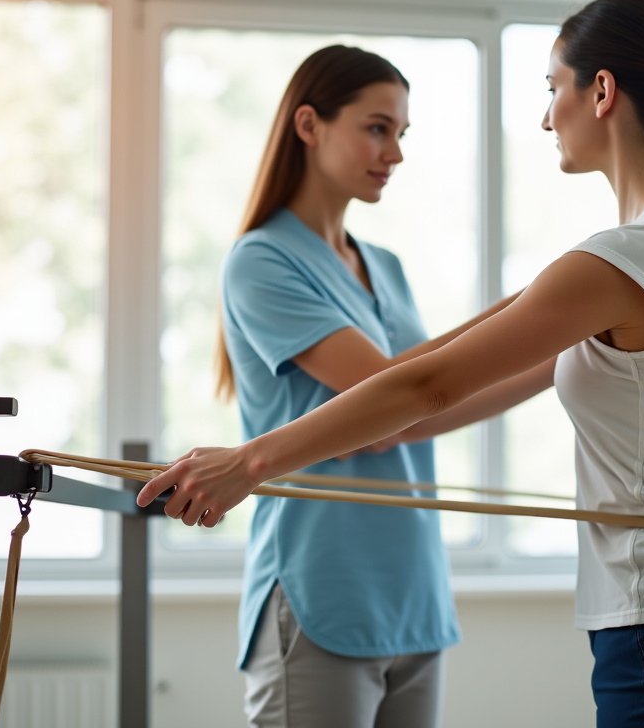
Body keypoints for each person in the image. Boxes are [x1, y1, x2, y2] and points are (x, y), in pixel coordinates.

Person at [147, 0, 644, 728]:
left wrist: (250, 462)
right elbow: (439, 387)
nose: (548, 115)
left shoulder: (629, 256)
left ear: (603, 92)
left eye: (554, 88)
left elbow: (424, 387)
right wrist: (542, 298)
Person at [209, 44, 525, 728]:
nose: (395, 152)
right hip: (322, 587)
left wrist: (560, 347)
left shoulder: (386, 266)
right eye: (377, 128)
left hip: (413, 595)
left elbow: (435, 397)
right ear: (309, 125)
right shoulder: (260, 260)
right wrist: (540, 314)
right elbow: (399, 402)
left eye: (401, 134)